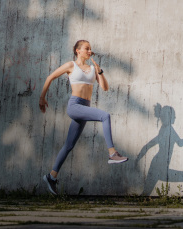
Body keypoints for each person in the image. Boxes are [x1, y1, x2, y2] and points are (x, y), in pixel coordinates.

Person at [39, 40, 128, 195]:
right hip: (75, 106)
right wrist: (42, 97)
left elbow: (105, 88)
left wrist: (100, 72)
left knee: (68, 145)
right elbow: (49, 77)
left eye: (90, 48)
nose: (89, 50)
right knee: (104, 116)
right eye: (86, 48)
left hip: (84, 107)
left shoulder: (93, 68)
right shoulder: (71, 65)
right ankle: (112, 153)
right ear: (78, 50)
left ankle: (51, 177)